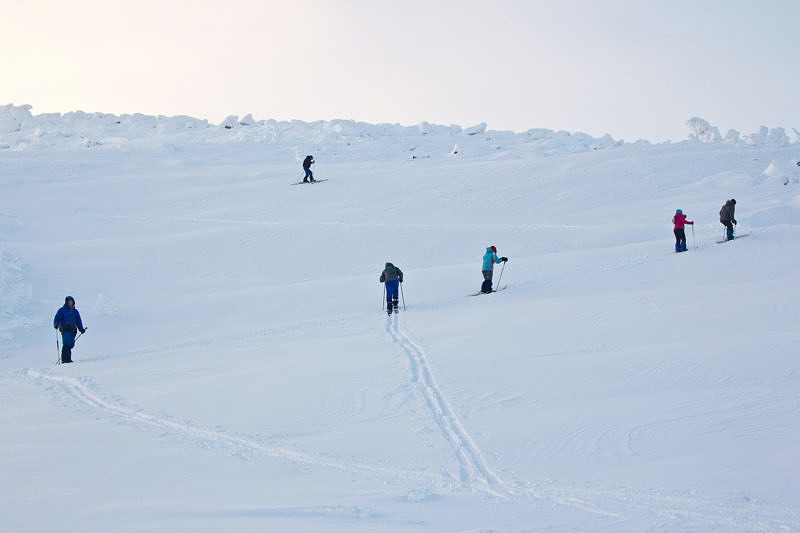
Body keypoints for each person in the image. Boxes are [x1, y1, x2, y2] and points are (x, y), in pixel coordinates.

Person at [53, 296, 86, 363]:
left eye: (71, 302)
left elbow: (78, 321)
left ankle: (67, 359)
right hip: (65, 329)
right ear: (66, 303)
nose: (70, 303)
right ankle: (65, 360)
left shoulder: (75, 312)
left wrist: (81, 329)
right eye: (69, 302)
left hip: (73, 330)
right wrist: (56, 324)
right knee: (66, 344)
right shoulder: (62, 310)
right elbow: (56, 319)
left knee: (71, 344)